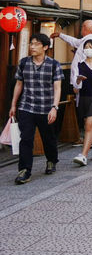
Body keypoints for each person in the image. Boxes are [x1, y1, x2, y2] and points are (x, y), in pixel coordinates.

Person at [9, 34, 63, 184]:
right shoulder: (24, 63)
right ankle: (25, 170)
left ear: (45, 47)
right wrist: (13, 104)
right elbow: (19, 84)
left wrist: (54, 107)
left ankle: (52, 160)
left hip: (46, 108)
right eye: (31, 43)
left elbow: (57, 88)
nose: (32, 46)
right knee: (26, 138)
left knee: (49, 139)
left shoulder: (54, 64)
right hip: (27, 106)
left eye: (36, 44)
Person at [51, 20, 92, 146]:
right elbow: (74, 41)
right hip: (81, 80)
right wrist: (60, 35)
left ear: (85, 28)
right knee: (88, 113)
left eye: (82, 27)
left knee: (88, 113)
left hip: (83, 80)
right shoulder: (87, 40)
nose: (87, 49)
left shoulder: (89, 42)